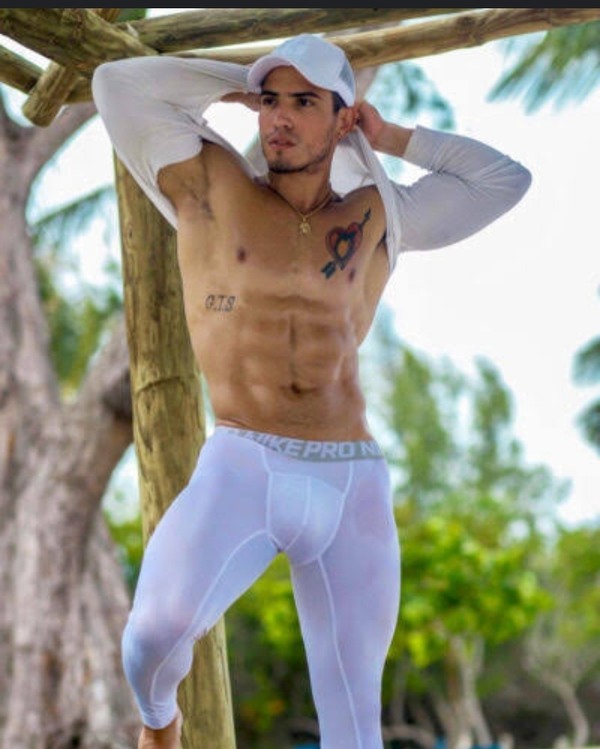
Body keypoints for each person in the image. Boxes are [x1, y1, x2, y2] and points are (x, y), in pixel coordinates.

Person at [92, 32, 531, 749]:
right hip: (244, 462)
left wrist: (390, 137)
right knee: (153, 633)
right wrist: (237, 84)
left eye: (303, 102)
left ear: (342, 117)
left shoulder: (377, 215)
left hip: (350, 481)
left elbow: (504, 181)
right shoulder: (211, 186)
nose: (280, 118)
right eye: (272, 101)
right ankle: (160, 723)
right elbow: (116, 83)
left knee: (354, 727)